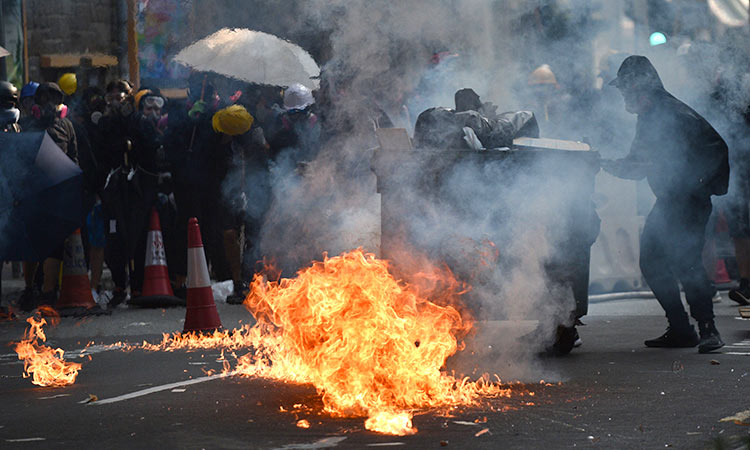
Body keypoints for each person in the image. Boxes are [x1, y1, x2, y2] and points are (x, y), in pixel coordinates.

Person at [602, 55, 729, 353]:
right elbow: (637, 166)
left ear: (638, 87)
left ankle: (707, 329)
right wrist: (604, 164)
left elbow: (717, 148)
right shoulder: (650, 118)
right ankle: (682, 329)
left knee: (685, 262)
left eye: (625, 89)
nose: (623, 96)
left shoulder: (674, 114)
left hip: (687, 202)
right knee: (653, 261)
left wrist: (696, 185)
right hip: (671, 202)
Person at [18, 82, 79, 310]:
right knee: (33, 243)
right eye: (44, 99)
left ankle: (46, 294)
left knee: (51, 244)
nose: (48, 105)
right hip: (33, 193)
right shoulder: (27, 126)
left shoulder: (66, 127)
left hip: (54, 194)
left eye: (53, 100)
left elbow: (74, 159)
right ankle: (33, 289)